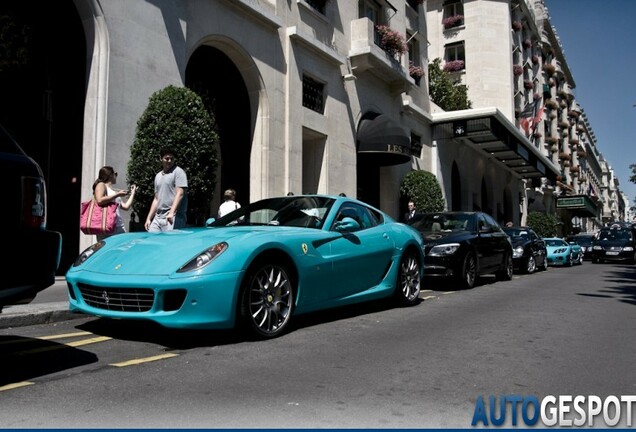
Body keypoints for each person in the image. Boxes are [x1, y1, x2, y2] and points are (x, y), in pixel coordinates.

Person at [145, 148, 188, 232]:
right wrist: (149, 218)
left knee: (170, 243)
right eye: (166, 158)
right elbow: (156, 199)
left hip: (173, 216)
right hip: (158, 217)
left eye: (171, 159)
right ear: (161, 159)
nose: (169, 161)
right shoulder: (158, 176)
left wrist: (172, 212)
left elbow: (180, 194)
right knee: (152, 240)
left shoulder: (179, 172)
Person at [92, 166, 137, 240]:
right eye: (115, 174)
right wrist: (118, 194)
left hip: (117, 226)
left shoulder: (113, 191)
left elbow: (126, 207)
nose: (116, 176)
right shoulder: (101, 185)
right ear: (110, 175)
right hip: (106, 225)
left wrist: (133, 193)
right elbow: (99, 200)